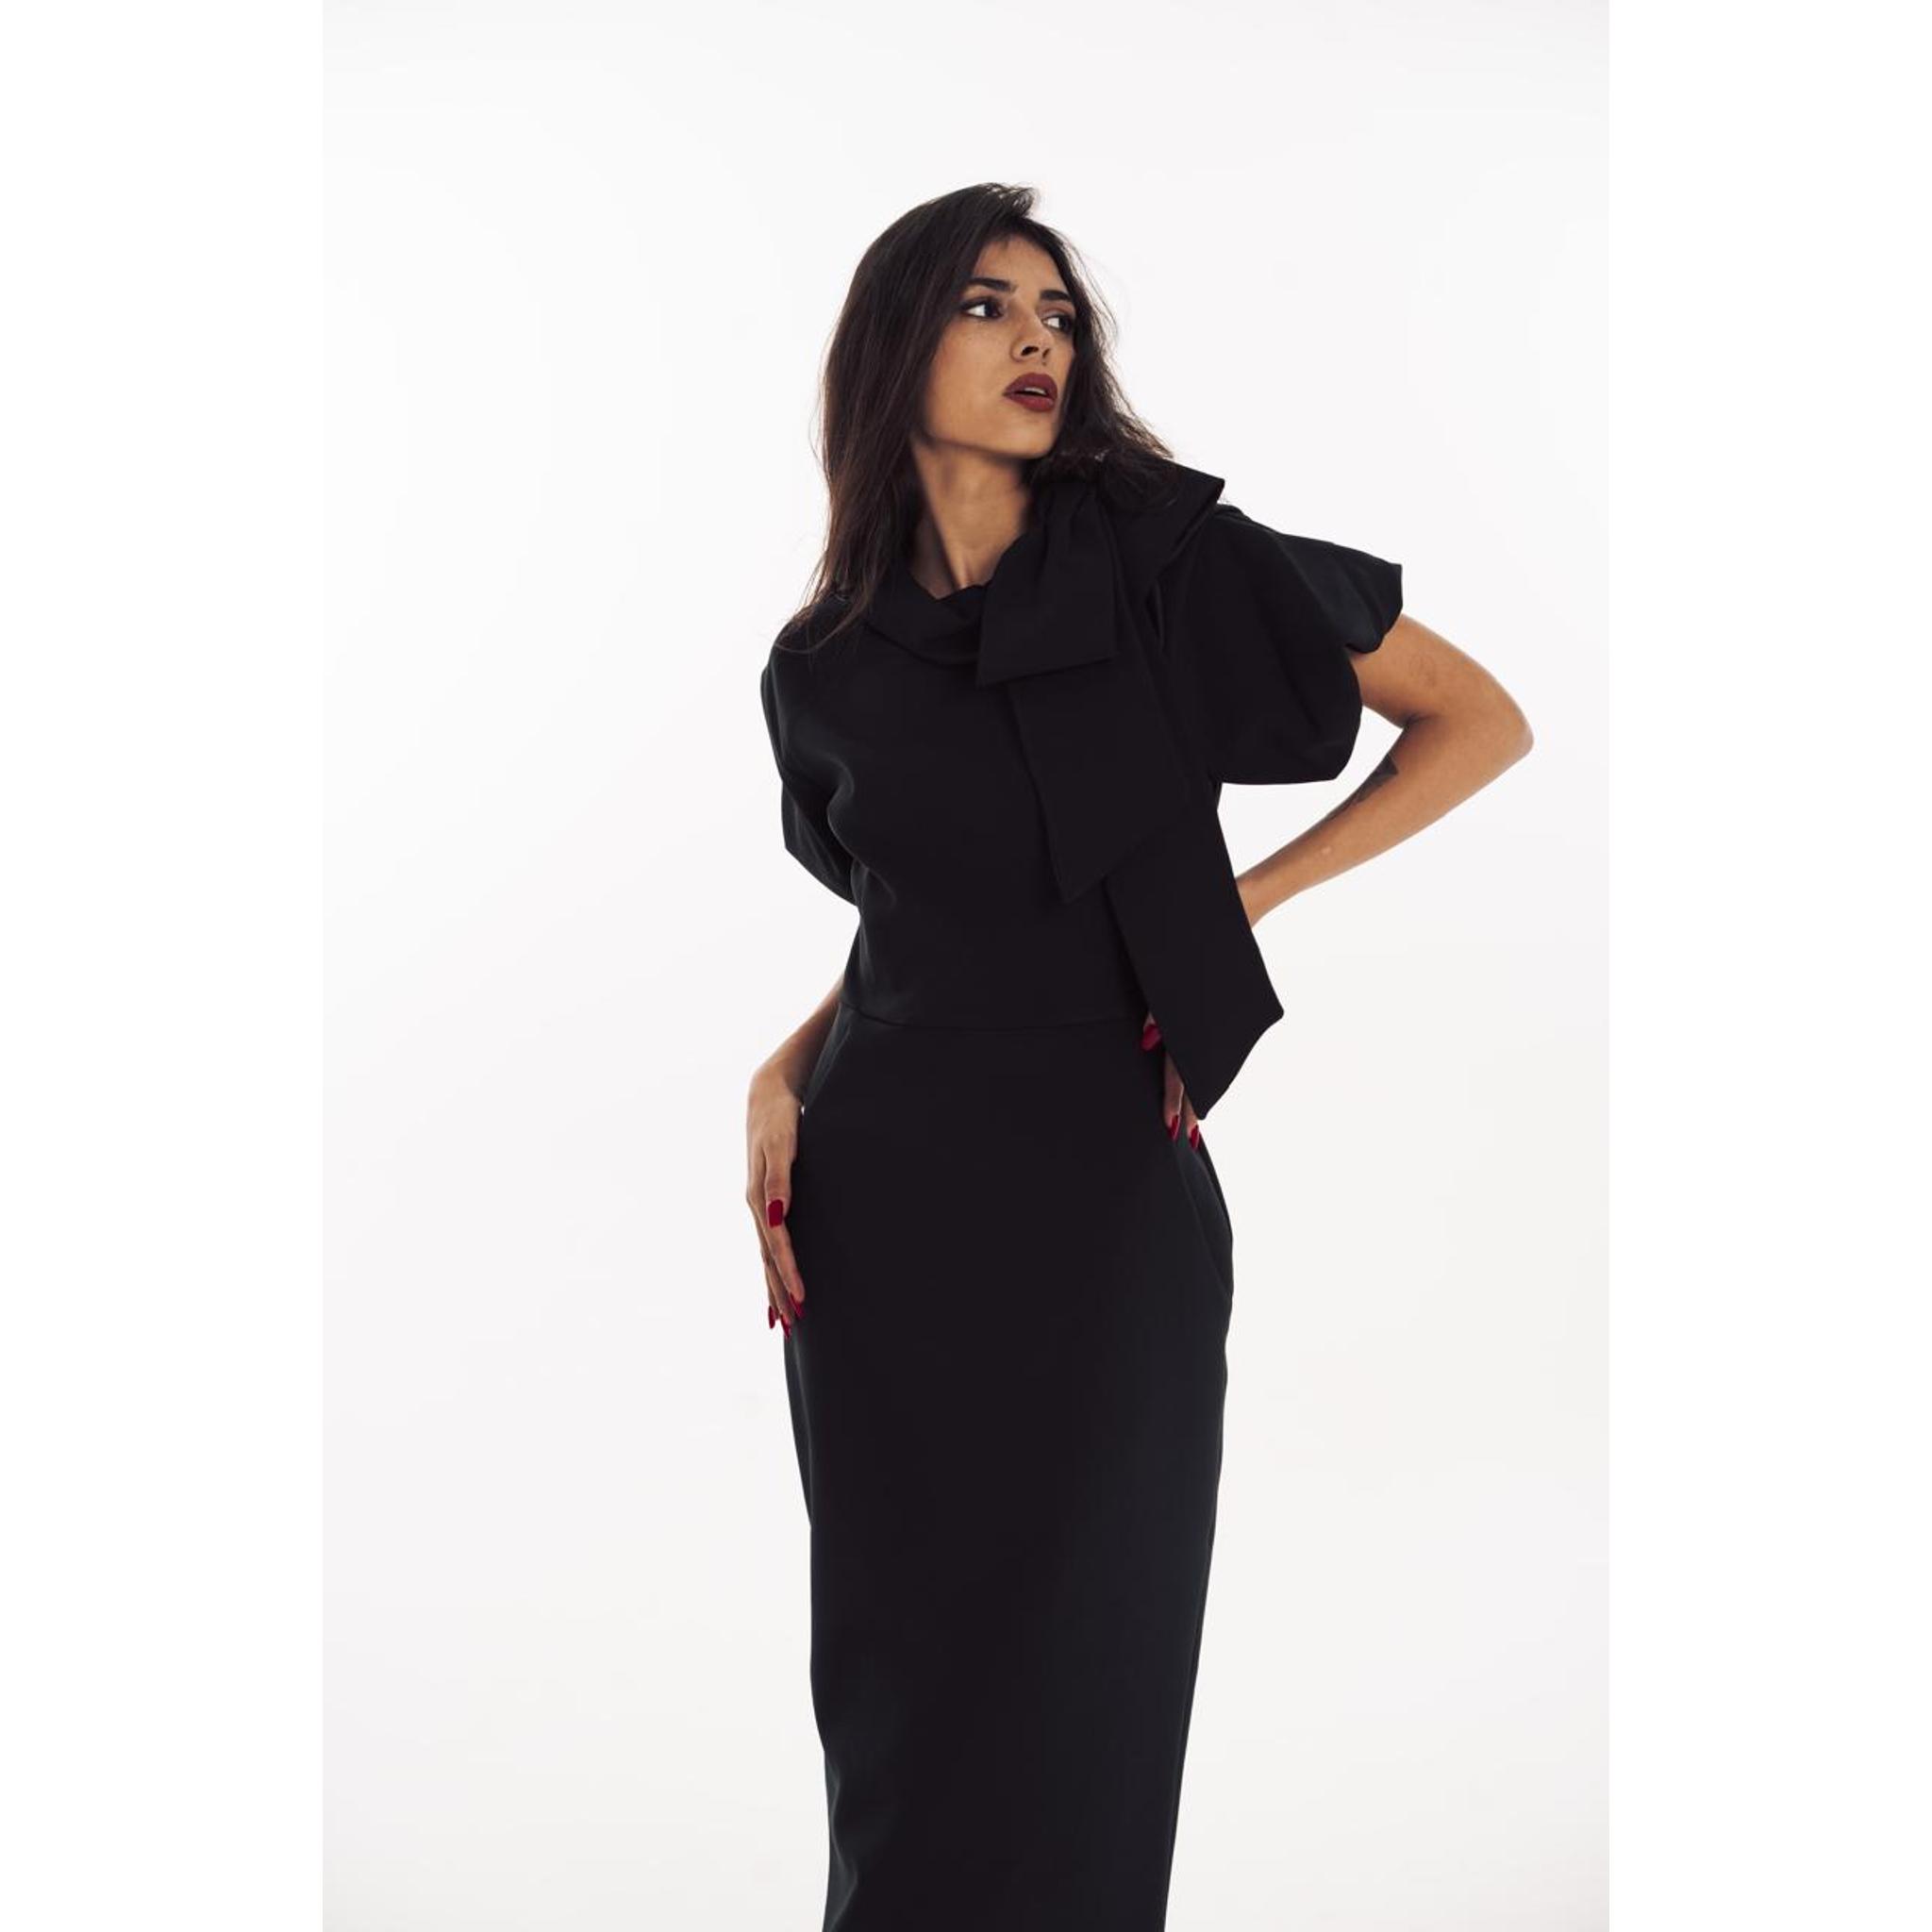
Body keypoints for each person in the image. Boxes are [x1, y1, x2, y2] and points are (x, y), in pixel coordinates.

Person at [747, 182, 1533, 1931]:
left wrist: (1235, 906)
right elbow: (918, 926)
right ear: (892, 346)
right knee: (898, 1675)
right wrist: (776, 1073)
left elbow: (1475, 719)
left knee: (1090, 1672)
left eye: (1057, 312)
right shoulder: (823, 665)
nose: (1038, 337)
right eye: (985, 305)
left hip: (1105, 1182)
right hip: (880, 1197)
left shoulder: (1169, 561)